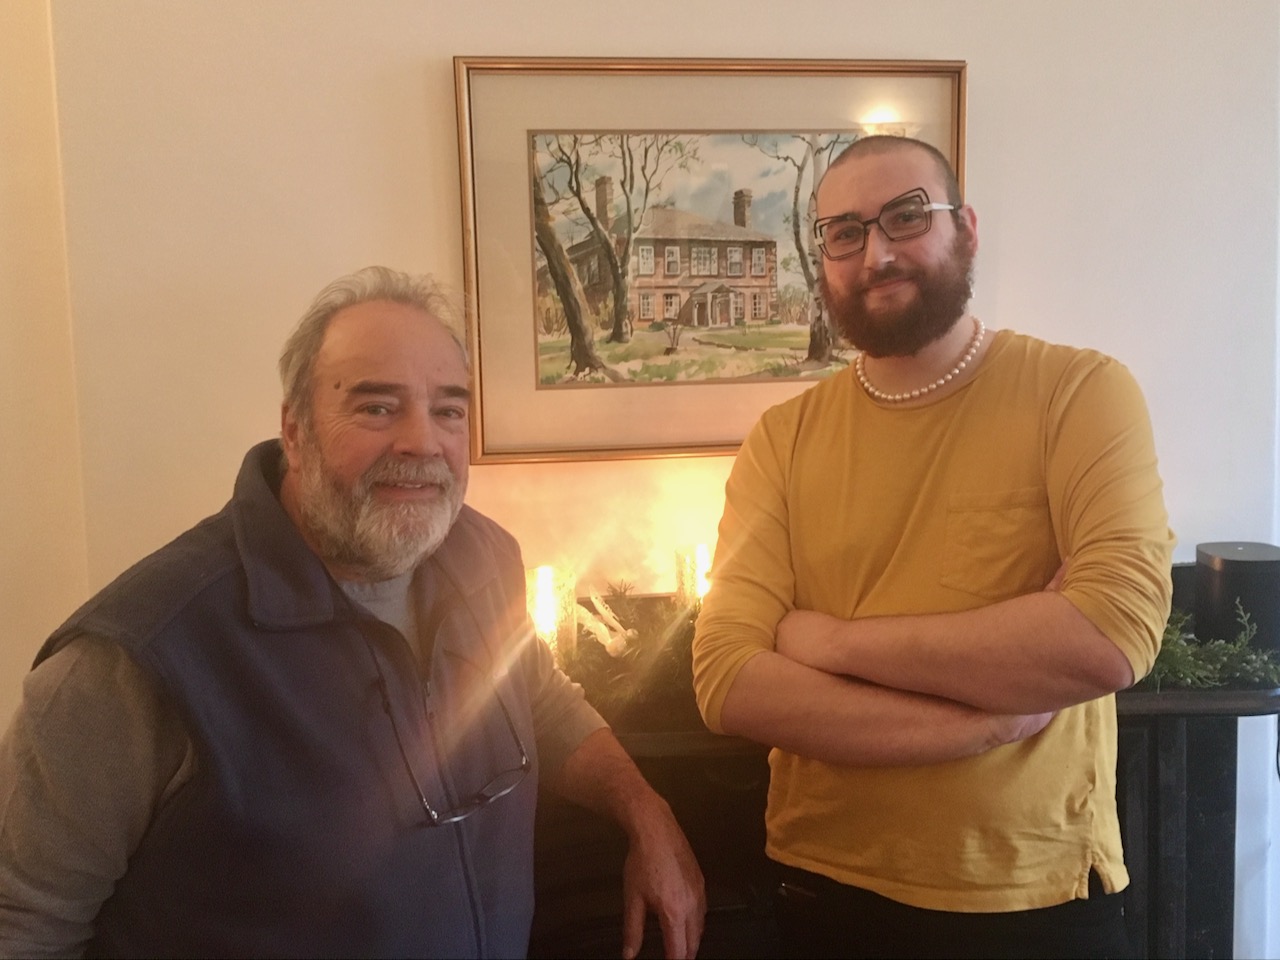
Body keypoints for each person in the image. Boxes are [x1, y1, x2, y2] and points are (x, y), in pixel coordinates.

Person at [0, 266, 705, 959]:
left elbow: (543, 702)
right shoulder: (139, 655)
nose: (421, 443)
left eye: (449, 410)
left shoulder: (485, 558)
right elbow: (24, 924)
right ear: (295, 429)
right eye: (377, 406)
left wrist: (647, 814)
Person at [691, 136, 1174, 960]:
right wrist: (985, 725)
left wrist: (828, 640)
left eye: (906, 216)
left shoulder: (1080, 393)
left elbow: (1108, 636)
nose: (876, 252)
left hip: (1037, 898)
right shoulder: (782, 439)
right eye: (844, 233)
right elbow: (728, 680)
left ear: (967, 229)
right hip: (825, 890)